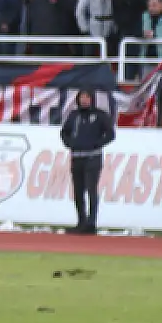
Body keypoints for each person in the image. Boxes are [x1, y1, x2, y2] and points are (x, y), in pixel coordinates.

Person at [60, 90, 116, 234]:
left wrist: (97, 143)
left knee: (91, 189)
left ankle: (91, 223)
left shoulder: (99, 115)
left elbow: (110, 134)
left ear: (91, 99)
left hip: (93, 157)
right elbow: (64, 132)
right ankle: (81, 222)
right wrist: (70, 143)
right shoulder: (74, 116)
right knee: (78, 191)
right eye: (82, 97)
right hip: (77, 157)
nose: (84, 100)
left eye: (87, 97)